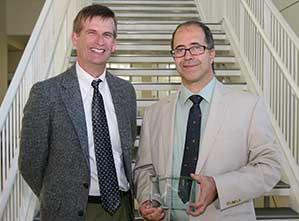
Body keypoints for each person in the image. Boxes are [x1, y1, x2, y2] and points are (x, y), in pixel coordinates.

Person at [134, 20, 281, 221]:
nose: (188, 56)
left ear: (212, 54)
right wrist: (147, 198)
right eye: (180, 49)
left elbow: (269, 167)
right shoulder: (154, 113)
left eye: (196, 47)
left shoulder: (249, 106)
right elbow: (145, 169)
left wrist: (219, 187)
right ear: (174, 57)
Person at [19, 4, 136, 221]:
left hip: (122, 209)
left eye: (107, 35)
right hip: (70, 212)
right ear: (75, 38)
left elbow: (127, 152)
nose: (100, 41)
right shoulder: (46, 93)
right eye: (91, 33)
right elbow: (30, 163)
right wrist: (60, 199)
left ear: (115, 44)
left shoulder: (125, 92)